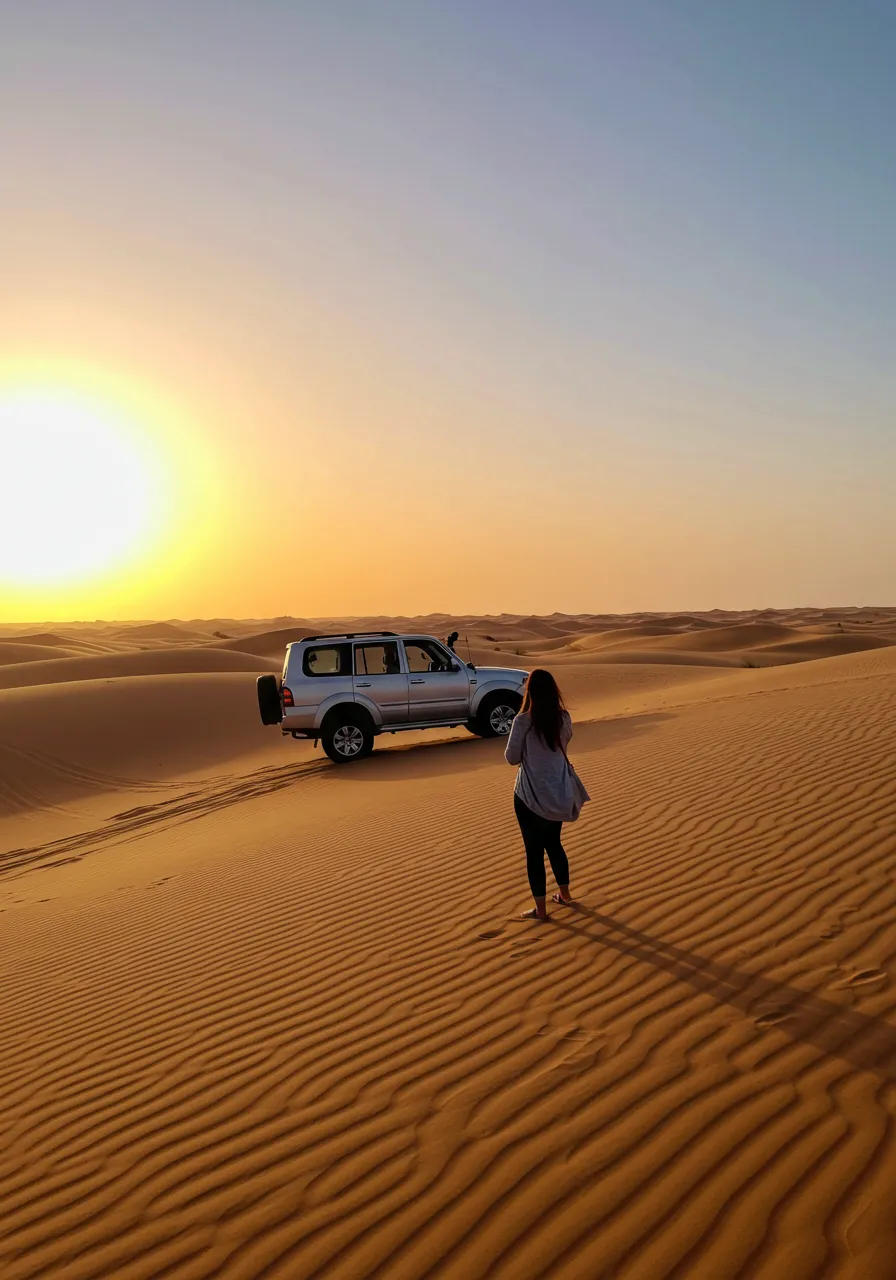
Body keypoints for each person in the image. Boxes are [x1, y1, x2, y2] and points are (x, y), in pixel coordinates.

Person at [505, 668, 588, 920]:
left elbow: (511, 758)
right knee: (554, 844)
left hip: (528, 796)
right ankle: (565, 894)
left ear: (529, 691)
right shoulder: (563, 718)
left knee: (534, 851)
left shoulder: (523, 721)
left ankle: (540, 911)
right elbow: (563, 744)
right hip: (557, 792)